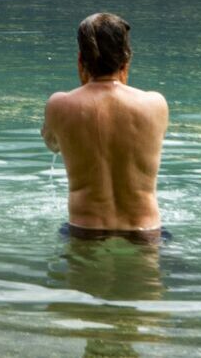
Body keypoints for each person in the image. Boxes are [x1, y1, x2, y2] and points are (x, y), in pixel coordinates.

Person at [42, 12, 168, 239]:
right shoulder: (155, 104)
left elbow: (53, 145)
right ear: (126, 59)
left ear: (81, 60)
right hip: (146, 233)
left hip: (85, 232)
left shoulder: (59, 105)